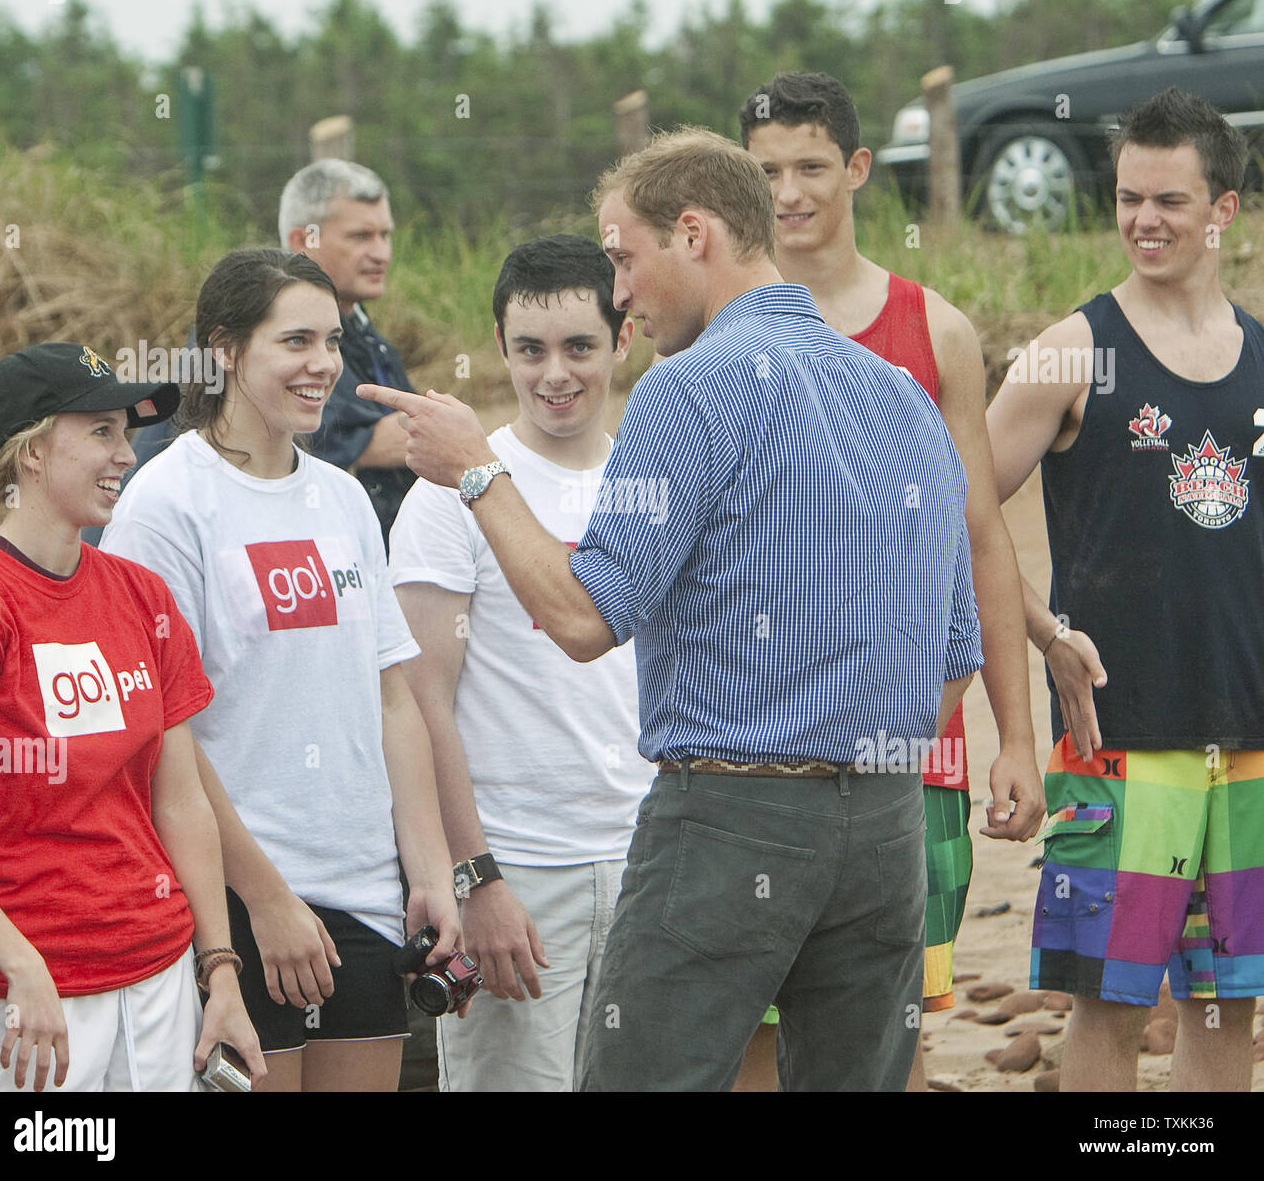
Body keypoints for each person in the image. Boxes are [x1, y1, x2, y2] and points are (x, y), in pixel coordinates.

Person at [359, 128, 983, 1091]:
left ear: (693, 234)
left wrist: (476, 472)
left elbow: (581, 620)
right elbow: (953, 659)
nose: (619, 294)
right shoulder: (901, 394)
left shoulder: (686, 388)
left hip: (726, 818)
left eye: (622, 256)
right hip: (889, 827)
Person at [738, 71, 1044, 1088]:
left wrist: (1017, 735)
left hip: (918, 743)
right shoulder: (716, 334)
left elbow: (980, 539)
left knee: (894, 1036)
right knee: (759, 1033)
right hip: (763, 756)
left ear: (858, 168)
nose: (788, 190)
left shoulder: (935, 330)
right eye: (766, 169)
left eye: (810, 165)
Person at [100, 249, 459, 1093]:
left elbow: (392, 700)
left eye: (331, 341)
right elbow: (164, 734)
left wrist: (432, 873)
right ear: (224, 351)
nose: (323, 364)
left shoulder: (341, 499)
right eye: (294, 340)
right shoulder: (164, 503)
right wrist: (264, 901)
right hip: (235, 901)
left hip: (364, 899)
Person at [985, 87, 1263, 1091]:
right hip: (1118, 738)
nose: (1143, 219)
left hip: (1245, 740)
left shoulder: (1262, 356)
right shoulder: (1072, 349)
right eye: (1128, 197)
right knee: (1106, 1002)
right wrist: (1046, 633)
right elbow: (957, 508)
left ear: (1223, 209)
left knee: (1225, 1005)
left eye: (1169, 201)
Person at [0, 343, 266, 1092]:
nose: (126, 455)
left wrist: (219, 967)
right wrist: (21, 965)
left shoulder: (141, 596)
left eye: (126, 433)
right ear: (32, 452)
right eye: (101, 431)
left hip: (158, 979)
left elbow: (180, 798)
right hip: (25, 1000)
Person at [389, 234, 650, 1091]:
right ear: (499, 347)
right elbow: (422, 704)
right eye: (530, 350)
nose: (554, 374)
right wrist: (474, 878)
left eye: (579, 346)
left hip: (650, 859)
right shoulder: (446, 491)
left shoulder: (652, 480)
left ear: (623, 339)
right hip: (518, 869)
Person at [112, 157, 416, 551]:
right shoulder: (165, 499)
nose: (381, 253)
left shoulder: (366, 334)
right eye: (361, 236)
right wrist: (367, 444)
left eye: (385, 235)